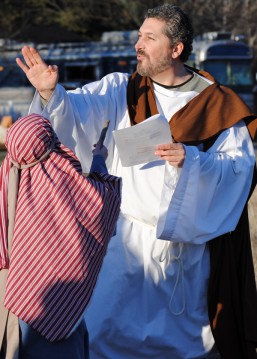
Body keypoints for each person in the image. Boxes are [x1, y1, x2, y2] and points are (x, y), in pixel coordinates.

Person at [16, 3, 257, 358]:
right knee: (107, 338)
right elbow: (76, 115)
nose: (138, 44)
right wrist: (52, 94)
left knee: (185, 347)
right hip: (126, 249)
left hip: (183, 257)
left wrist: (192, 160)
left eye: (149, 37)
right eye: (138, 36)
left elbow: (239, 169)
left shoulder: (217, 102)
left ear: (176, 49)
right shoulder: (122, 89)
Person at [0, 114, 121, 359]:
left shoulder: (9, 174)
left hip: (14, 295)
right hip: (60, 303)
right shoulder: (61, 175)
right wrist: (99, 159)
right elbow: (99, 204)